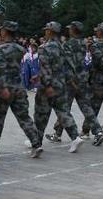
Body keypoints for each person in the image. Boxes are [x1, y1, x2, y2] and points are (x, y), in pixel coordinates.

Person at [46, 21, 103, 146]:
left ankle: (57, 134)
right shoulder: (84, 43)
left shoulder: (67, 44)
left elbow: (66, 62)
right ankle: (98, 132)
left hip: (71, 80)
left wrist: (69, 80)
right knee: (86, 107)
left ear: (73, 30)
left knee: (64, 108)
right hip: (83, 78)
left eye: (70, 29)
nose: (68, 30)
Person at [0, 21, 42, 158]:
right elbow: (12, 67)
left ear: (5, 32)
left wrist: (3, 86)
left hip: (5, 87)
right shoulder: (20, 49)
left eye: (2, 30)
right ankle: (36, 143)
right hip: (19, 87)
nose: (0, 32)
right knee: (24, 117)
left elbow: (1, 70)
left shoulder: (0, 50)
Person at [33, 22, 85, 153]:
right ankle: (75, 137)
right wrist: (70, 81)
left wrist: (47, 84)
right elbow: (67, 67)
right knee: (63, 112)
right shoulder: (62, 47)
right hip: (61, 84)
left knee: (41, 114)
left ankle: (36, 142)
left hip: (48, 86)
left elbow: (46, 68)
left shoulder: (44, 47)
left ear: (50, 32)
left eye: (46, 30)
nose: (45, 32)